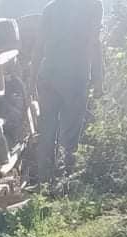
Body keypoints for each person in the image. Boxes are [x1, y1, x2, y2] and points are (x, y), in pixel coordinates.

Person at [34, 0, 105, 183]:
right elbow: (94, 43)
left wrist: (32, 79)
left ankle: (44, 178)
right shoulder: (93, 5)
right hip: (75, 77)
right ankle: (65, 179)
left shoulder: (50, 8)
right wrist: (98, 78)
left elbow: (39, 46)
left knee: (47, 129)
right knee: (71, 131)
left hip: (48, 75)